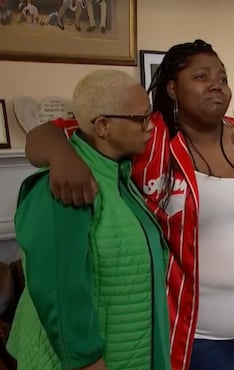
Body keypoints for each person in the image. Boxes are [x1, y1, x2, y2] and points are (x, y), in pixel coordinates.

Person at [24, 40, 234, 370]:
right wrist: (60, 155)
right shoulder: (147, 133)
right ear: (172, 88)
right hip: (193, 331)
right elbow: (47, 134)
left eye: (223, 77)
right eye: (201, 77)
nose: (217, 84)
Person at [6, 69, 171, 369]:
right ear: (103, 126)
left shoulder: (120, 177)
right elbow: (59, 290)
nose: (150, 128)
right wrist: (87, 360)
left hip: (129, 352)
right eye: (140, 119)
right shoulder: (66, 186)